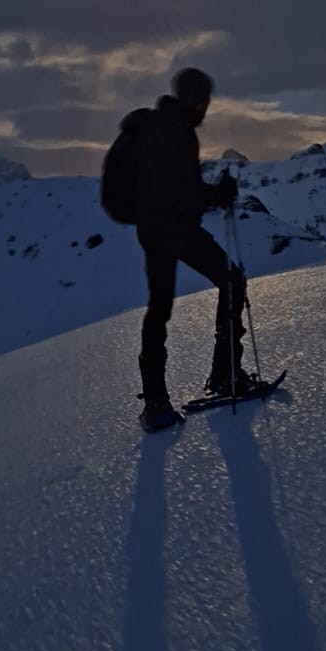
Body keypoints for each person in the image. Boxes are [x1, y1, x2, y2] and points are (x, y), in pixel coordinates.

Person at [133, 67, 253, 430]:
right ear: (194, 100)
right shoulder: (174, 133)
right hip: (168, 232)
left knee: (164, 309)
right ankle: (217, 377)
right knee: (223, 284)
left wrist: (213, 194)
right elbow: (176, 191)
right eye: (204, 100)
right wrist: (212, 197)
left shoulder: (173, 130)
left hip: (166, 232)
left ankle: (166, 396)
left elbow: (184, 187)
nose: (206, 108)